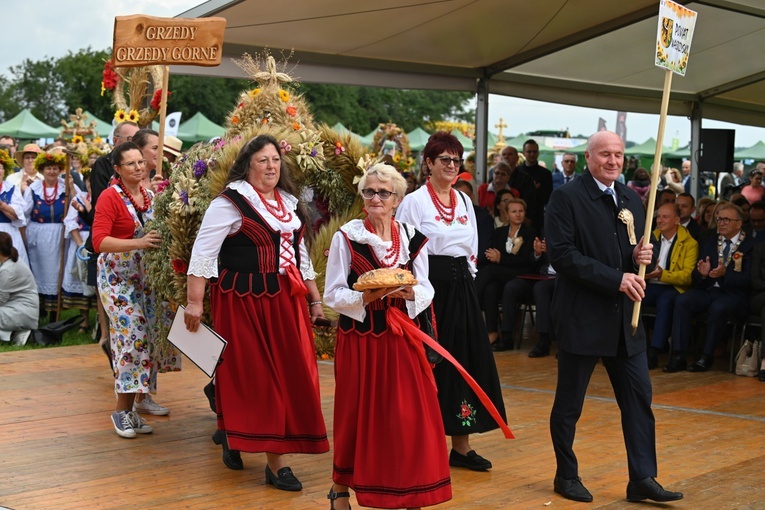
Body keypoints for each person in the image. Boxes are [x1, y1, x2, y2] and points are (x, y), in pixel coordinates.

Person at [184, 135, 329, 490]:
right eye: (263, 160)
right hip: (244, 301)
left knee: (289, 373)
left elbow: (300, 256)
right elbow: (203, 255)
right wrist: (195, 302)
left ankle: (231, 426)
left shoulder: (288, 204)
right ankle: (276, 463)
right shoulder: (230, 203)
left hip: (286, 300)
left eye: (276, 160)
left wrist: (315, 299)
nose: (271, 166)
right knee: (259, 376)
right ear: (247, 165)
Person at [545, 131, 683, 503]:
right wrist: (616, 278)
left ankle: (642, 477)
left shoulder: (631, 200)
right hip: (582, 317)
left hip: (627, 320)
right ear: (588, 157)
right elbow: (563, 255)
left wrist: (643, 257)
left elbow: (633, 257)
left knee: (639, 399)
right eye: (605, 154)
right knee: (570, 403)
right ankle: (566, 474)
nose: (613, 161)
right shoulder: (566, 197)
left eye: (618, 155)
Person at [323, 163, 451, 510]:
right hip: (362, 340)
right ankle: (339, 489)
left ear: (397, 198)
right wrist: (367, 296)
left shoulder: (411, 237)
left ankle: (410, 492)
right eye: (369, 191)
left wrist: (407, 294)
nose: (375, 198)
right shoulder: (346, 237)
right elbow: (332, 293)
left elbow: (425, 287)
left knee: (408, 417)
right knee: (356, 415)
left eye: (383, 192)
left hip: (402, 339)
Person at [396, 131, 506, 472]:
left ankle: (461, 445)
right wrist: (418, 295)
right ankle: (420, 444)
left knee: (465, 362)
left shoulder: (462, 200)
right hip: (429, 290)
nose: (452, 166)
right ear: (428, 163)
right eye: (445, 159)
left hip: (461, 288)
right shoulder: (414, 202)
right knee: (429, 365)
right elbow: (405, 249)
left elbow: (472, 246)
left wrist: (468, 281)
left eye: (457, 160)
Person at [92, 142, 176, 438]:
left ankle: (134, 409)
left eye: (141, 162)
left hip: (146, 276)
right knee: (133, 336)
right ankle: (120, 411)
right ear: (117, 169)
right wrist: (138, 243)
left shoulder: (151, 196)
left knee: (151, 337)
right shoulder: (109, 197)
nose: (139, 167)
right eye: (131, 164)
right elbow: (99, 242)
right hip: (118, 277)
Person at [666, 203, 754, 373]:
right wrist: (703, 274)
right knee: (683, 300)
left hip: (734, 294)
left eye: (726, 220)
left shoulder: (750, 245)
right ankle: (679, 355)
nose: (721, 223)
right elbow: (696, 277)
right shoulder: (709, 240)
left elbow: (748, 280)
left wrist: (724, 274)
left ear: (738, 223)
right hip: (708, 290)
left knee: (719, 307)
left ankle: (706, 356)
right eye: (719, 219)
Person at [474, 198, 539, 349]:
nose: (518, 214)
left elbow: (526, 261)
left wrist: (501, 258)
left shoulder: (530, 232)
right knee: (490, 288)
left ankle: (472, 300)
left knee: (490, 271)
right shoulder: (499, 233)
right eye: (514, 211)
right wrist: (499, 259)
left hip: (522, 273)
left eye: (521, 211)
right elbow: (494, 255)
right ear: (507, 214)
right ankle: (492, 333)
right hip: (502, 273)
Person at [23, 151, 78, 322]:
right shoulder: (34, 189)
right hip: (38, 234)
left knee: (56, 272)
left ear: (60, 169)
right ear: (42, 169)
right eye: (48, 168)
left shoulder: (65, 187)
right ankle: (40, 311)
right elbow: (24, 213)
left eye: (55, 168)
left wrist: (71, 186)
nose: (52, 172)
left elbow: (77, 204)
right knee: (38, 271)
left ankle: (55, 312)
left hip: (59, 234)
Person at [643, 203, 698, 369]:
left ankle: (654, 350)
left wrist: (662, 274)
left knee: (666, 301)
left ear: (677, 220)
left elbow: (687, 277)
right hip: (650, 283)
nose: (660, 220)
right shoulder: (650, 237)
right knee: (632, 297)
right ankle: (639, 347)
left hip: (672, 286)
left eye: (665, 217)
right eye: (658, 216)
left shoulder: (690, 243)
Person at [62, 167, 95, 333]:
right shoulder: (79, 198)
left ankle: (100, 323)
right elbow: (69, 221)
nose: (90, 184)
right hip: (81, 242)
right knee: (81, 278)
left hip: (98, 242)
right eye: (88, 180)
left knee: (95, 280)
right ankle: (84, 320)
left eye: (93, 180)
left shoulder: (104, 197)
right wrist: (81, 244)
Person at [0, 232, 38, 345]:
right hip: (16, 308)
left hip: (23, 312)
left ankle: (19, 333)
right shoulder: (9, 261)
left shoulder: (8, 270)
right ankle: (16, 335)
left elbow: (0, 300)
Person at [453, 179, 493, 267]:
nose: (460, 200)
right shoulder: (447, 214)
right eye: (456, 196)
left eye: (464, 196)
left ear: (472, 197)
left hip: (476, 265)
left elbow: (482, 249)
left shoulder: (483, 218)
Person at [0, 148, 28, 266]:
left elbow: (17, 215)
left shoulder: (11, 188)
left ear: (4, 170)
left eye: (0, 167)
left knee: (12, 266)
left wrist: (1, 205)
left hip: (8, 232)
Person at [517, 139, 552, 229]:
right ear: (524, 153)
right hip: (517, 215)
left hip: (537, 217)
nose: (532, 154)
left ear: (538, 153)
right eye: (529, 151)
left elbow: (548, 197)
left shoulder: (546, 174)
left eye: (534, 151)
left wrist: (535, 190)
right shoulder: (517, 172)